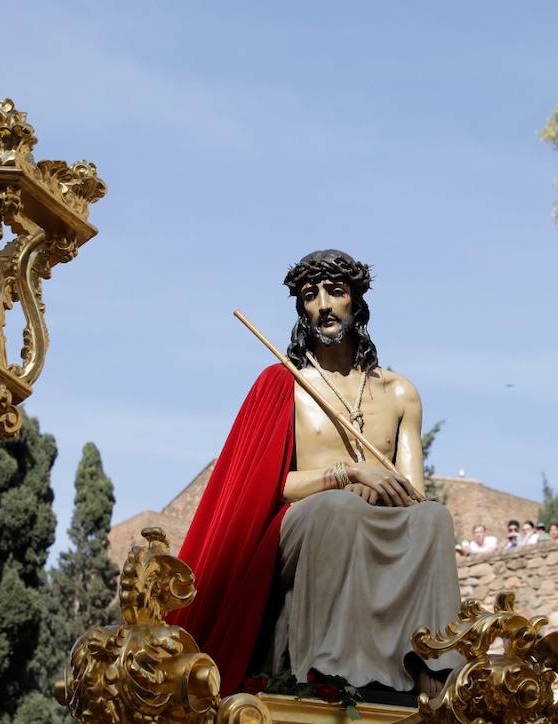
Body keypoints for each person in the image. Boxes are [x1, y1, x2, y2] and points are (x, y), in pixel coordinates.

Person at [169, 249, 459, 698]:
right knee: (338, 510)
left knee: (434, 519)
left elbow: (413, 495)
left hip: (371, 515)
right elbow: (267, 485)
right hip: (303, 522)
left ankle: (432, 666)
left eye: (335, 292)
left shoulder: (400, 392)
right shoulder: (286, 383)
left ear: (356, 303)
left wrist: (374, 491)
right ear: (302, 310)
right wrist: (346, 475)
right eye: (311, 296)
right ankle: (332, 670)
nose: (323, 304)